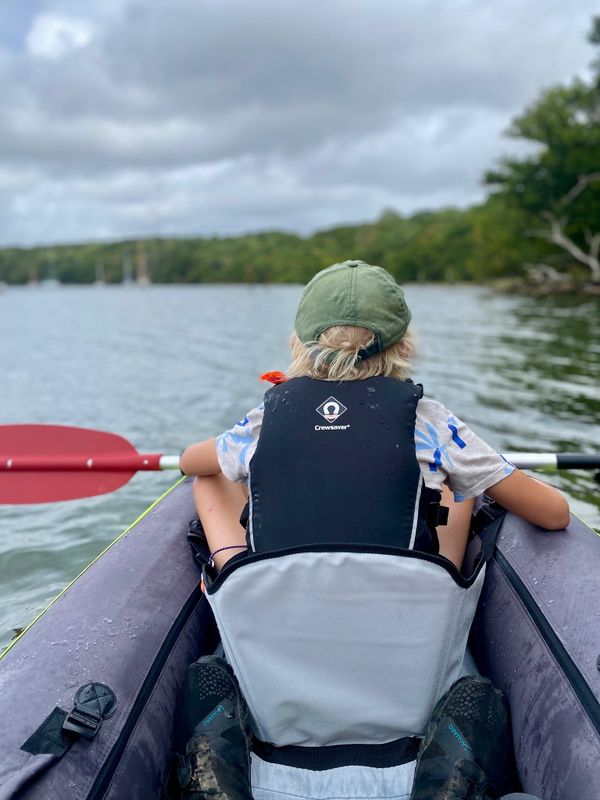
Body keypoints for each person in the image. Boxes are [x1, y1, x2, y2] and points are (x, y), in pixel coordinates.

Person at [179, 260, 568, 800]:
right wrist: (471, 472)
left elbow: (189, 460)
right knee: (460, 489)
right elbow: (554, 514)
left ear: (298, 342)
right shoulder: (430, 420)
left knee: (207, 480)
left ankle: (232, 568)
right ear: (404, 346)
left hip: (278, 625)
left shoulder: (265, 419)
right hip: (406, 654)